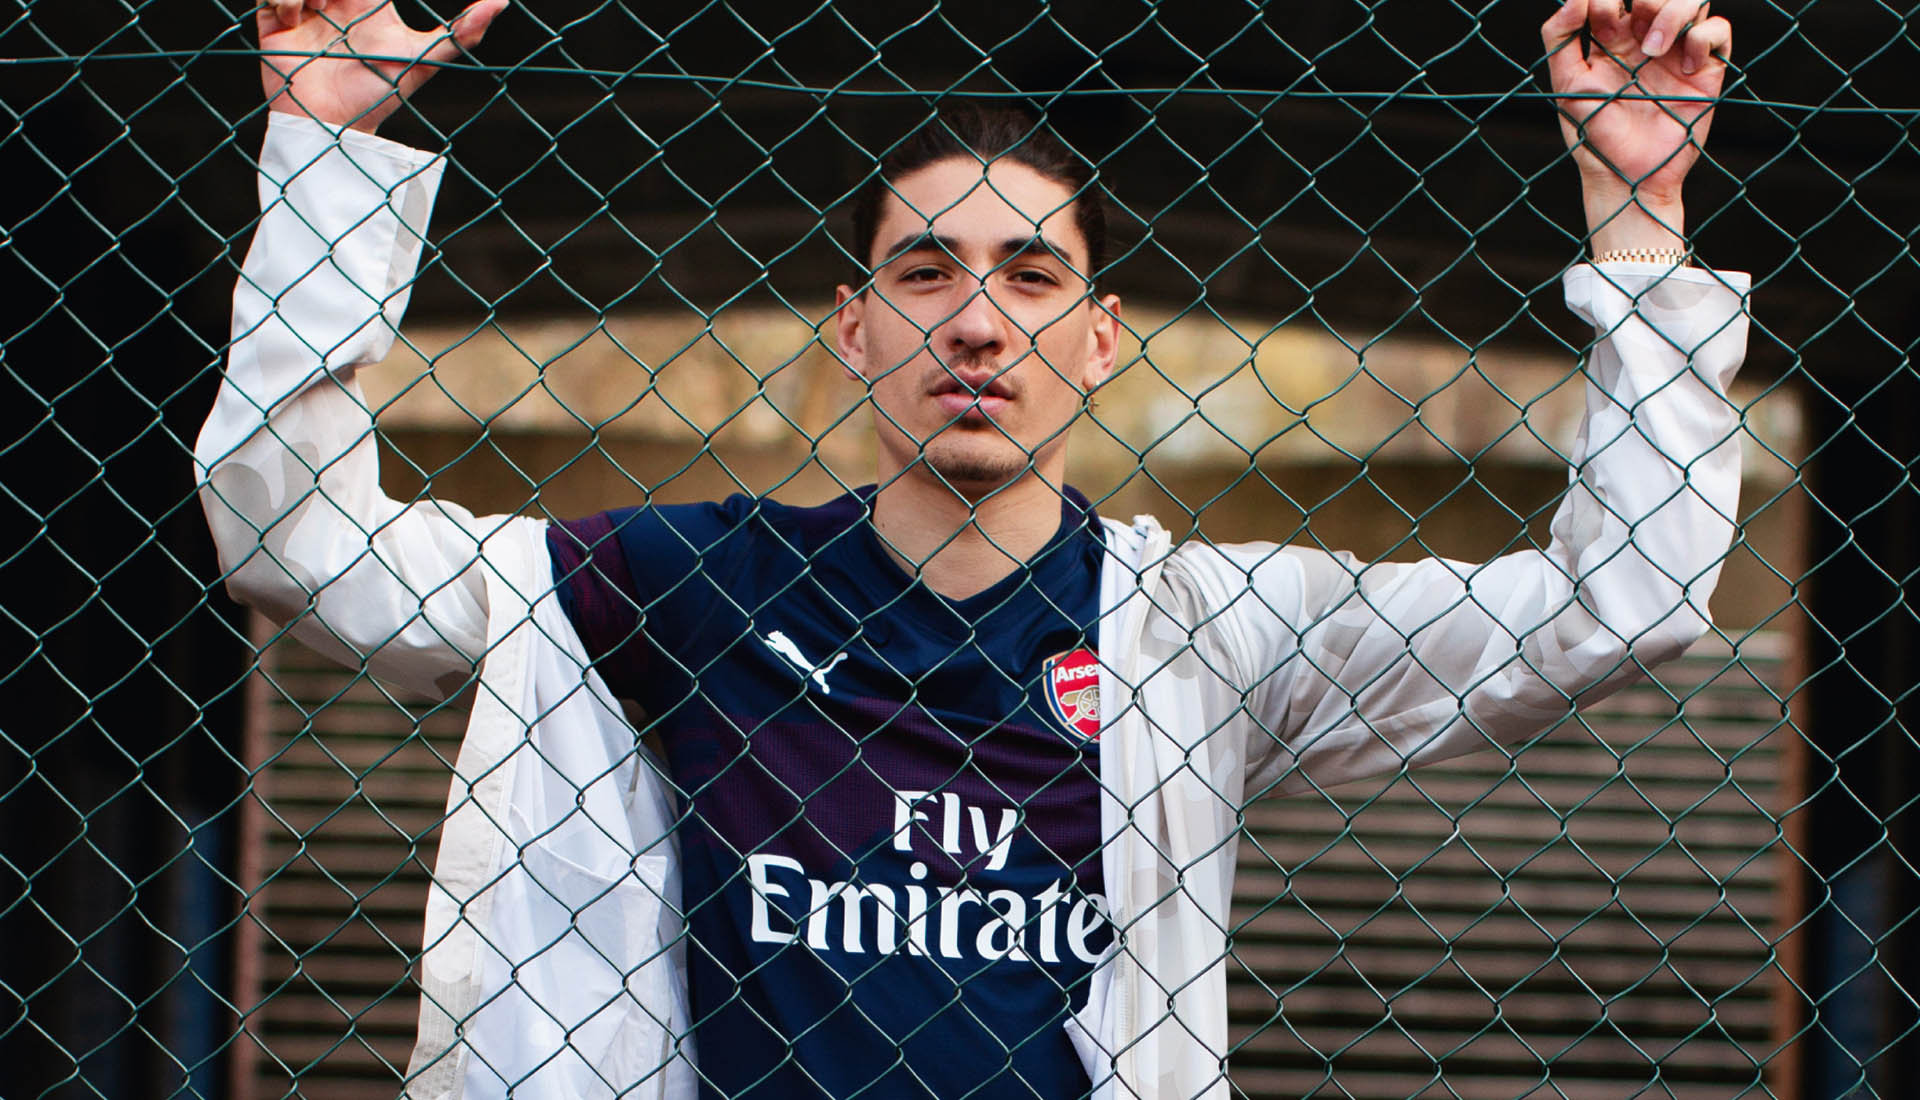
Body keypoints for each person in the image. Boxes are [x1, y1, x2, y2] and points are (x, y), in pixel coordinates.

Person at [195, 1, 1747, 1098]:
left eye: (1033, 275)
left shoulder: (1200, 626)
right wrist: (324, 154)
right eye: (927, 272)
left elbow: (1625, 602)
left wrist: (1640, 212)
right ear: (856, 329)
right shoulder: (681, 585)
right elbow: (293, 536)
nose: (979, 322)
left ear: (1102, 336)